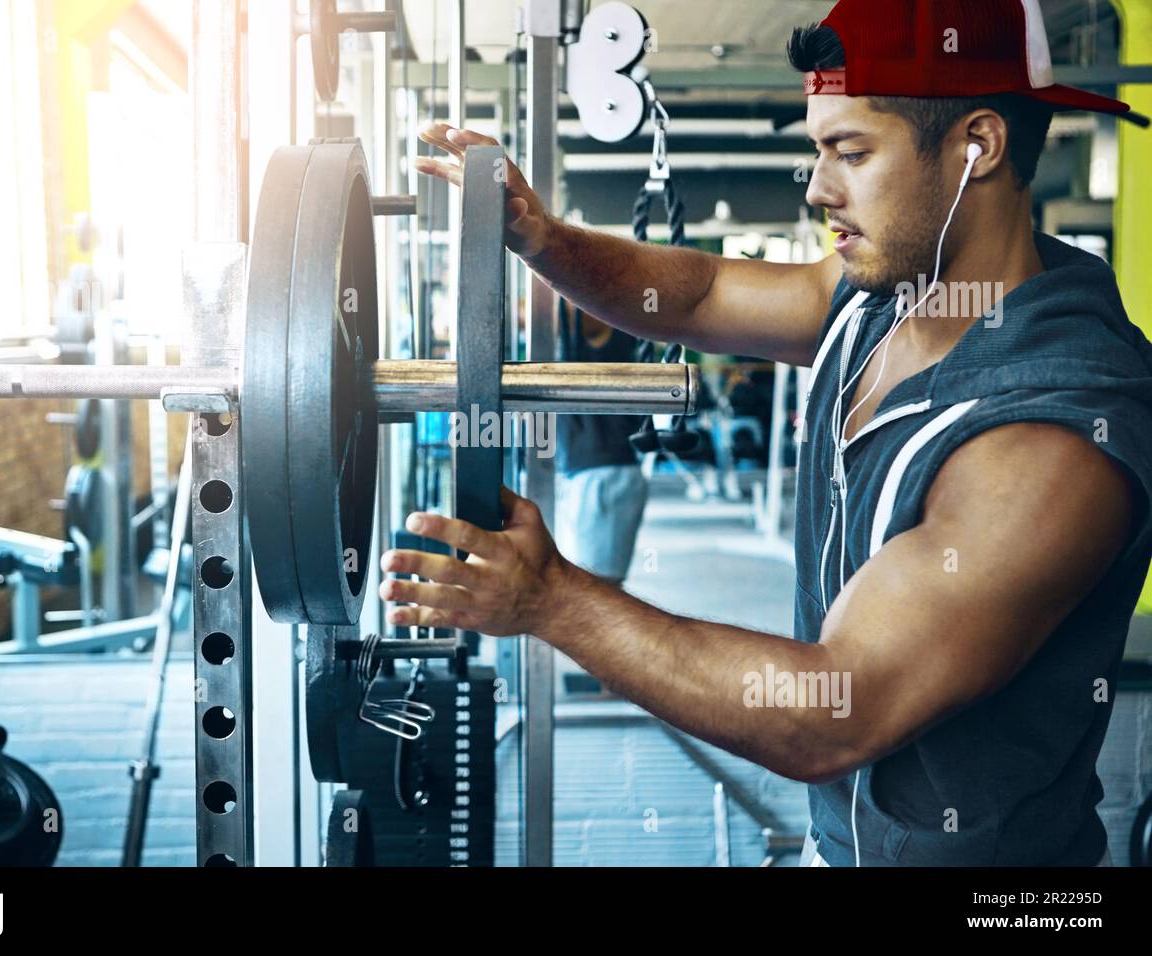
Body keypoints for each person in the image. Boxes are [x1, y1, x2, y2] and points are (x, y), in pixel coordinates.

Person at [379, 0, 1152, 866]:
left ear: (979, 144)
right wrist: (544, 238)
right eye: (819, 149)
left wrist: (551, 598)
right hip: (842, 844)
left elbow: (835, 710)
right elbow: (702, 292)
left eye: (851, 152)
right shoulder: (875, 299)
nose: (818, 187)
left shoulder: (1052, 441)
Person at [554, 300, 649, 588]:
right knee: (587, 589)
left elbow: (549, 315)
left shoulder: (605, 313)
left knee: (598, 592)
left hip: (604, 476)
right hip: (587, 471)